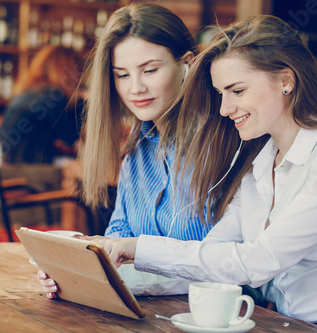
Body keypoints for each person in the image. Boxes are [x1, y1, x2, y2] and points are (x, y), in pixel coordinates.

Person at [86, 15, 317, 332]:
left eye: (237, 90)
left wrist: (138, 247)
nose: (224, 108)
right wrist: (86, 273)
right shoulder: (262, 161)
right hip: (291, 324)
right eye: (221, 93)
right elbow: (212, 255)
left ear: (286, 81)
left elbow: (257, 262)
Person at [38, 3, 213, 297]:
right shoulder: (138, 145)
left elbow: (228, 259)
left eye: (150, 70)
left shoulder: (221, 141)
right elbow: (121, 229)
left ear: (187, 64)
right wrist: (77, 267)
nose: (136, 88)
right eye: (122, 75)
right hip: (145, 310)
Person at [0, 46, 84, 164]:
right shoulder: (53, 95)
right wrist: (84, 100)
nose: (79, 76)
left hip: (0, 162)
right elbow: (70, 137)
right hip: (20, 167)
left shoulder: (31, 90)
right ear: (67, 71)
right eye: (77, 70)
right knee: (77, 172)